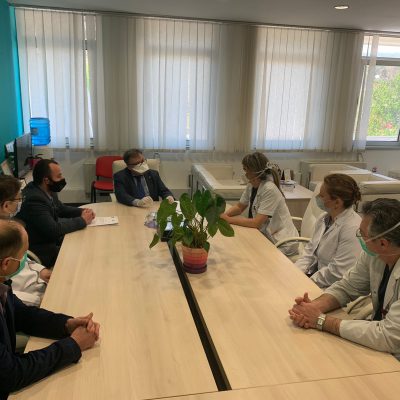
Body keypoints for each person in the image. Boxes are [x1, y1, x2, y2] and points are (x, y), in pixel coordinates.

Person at [0, 219, 100, 399]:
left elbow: (23, 314)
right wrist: (73, 345)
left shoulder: (2, 285)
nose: (26, 261)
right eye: (23, 255)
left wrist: (66, 324)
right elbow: (10, 374)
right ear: (6, 264)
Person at [289, 198, 400, 359]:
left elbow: (389, 336)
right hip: (378, 345)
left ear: (383, 243)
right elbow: (347, 286)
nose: (360, 238)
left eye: (362, 235)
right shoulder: (376, 254)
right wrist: (312, 308)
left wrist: (321, 320)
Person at [16, 159, 95, 267]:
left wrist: (82, 211)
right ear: (47, 180)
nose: (62, 178)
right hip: (43, 250)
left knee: (86, 242)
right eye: (59, 176)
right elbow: (53, 230)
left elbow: (60, 208)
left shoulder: (45, 189)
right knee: (84, 255)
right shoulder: (34, 200)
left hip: (52, 240)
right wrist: (82, 220)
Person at [220, 152, 298, 256]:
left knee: (249, 256)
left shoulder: (270, 189)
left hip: (282, 242)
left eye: (245, 169)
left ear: (254, 171)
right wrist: (224, 216)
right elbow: (239, 207)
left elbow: (256, 223)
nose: (244, 173)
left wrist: (228, 220)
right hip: (265, 236)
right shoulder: (252, 185)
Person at [295, 174, 362, 288]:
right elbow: (310, 252)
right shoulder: (324, 218)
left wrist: (307, 281)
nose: (317, 198)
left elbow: (337, 273)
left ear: (337, 202)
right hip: (316, 277)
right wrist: (295, 272)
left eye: (321, 195)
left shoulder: (352, 228)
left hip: (333, 286)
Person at [0, 175, 51, 306]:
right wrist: (39, 300)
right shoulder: (5, 234)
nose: (21, 202)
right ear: (6, 205)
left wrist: (40, 270)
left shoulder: (11, 225)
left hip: (38, 283)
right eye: (19, 199)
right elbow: (6, 295)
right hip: (28, 300)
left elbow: (22, 256)